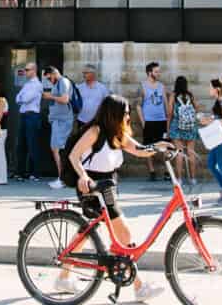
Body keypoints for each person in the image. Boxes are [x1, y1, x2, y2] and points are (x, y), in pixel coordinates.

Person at [58, 94, 170, 301]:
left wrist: (159, 146)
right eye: (125, 112)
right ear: (114, 113)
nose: (128, 116)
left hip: (107, 185)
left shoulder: (119, 134)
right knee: (123, 235)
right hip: (92, 186)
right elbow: (74, 155)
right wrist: (83, 176)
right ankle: (139, 286)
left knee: (89, 232)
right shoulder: (95, 131)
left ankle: (64, 275)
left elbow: (140, 150)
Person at [138, 61, 170, 181]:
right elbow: (138, 106)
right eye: (156, 71)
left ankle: (167, 172)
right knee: (148, 147)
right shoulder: (142, 86)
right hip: (149, 122)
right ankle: (152, 172)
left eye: (159, 71)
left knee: (165, 146)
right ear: (149, 72)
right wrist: (143, 122)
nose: (158, 73)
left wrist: (167, 120)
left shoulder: (162, 86)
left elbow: (166, 104)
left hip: (161, 121)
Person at [43, 66, 74, 189]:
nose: (49, 80)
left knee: (57, 149)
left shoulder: (63, 82)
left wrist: (50, 96)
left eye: (49, 77)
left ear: (54, 73)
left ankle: (62, 179)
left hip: (63, 120)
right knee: (56, 149)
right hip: (58, 120)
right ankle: (62, 178)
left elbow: (65, 99)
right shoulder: (59, 83)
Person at [166, 76, 200, 186]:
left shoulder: (173, 96)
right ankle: (193, 179)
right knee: (191, 152)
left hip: (177, 127)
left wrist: (168, 128)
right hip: (191, 126)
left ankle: (179, 179)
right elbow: (197, 109)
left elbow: (170, 113)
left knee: (179, 153)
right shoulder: (190, 95)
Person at [15, 63, 44, 181]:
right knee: (21, 144)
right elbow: (17, 98)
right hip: (23, 115)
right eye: (25, 70)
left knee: (32, 144)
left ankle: (35, 172)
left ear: (34, 70)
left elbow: (25, 98)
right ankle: (20, 172)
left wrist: (22, 98)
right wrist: (22, 98)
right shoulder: (27, 84)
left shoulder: (37, 85)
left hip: (32, 115)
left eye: (27, 70)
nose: (25, 72)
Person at [75, 65, 111, 134]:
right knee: (81, 141)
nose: (84, 75)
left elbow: (107, 103)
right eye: (83, 73)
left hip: (97, 121)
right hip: (82, 121)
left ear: (93, 74)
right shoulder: (79, 87)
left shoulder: (102, 88)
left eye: (86, 73)